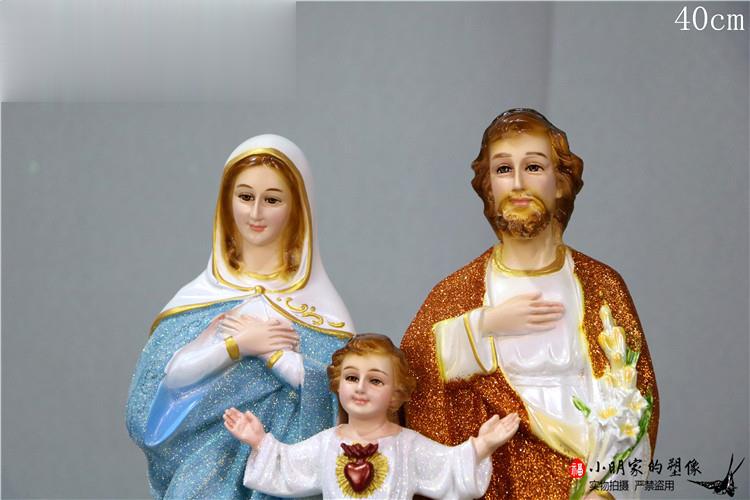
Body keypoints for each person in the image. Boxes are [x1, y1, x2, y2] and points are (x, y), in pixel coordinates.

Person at [400, 109, 659, 500]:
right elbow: (410, 371)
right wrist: (481, 326)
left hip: (582, 478)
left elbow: (638, 399)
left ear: (561, 182)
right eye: (504, 169)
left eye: (534, 167)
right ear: (489, 186)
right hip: (496, 482)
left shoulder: (601, 285)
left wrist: (608, 492)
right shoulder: (458, 293)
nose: (518, 183)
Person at [126, 134, 355, 499]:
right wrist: (237, 345)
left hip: (282, 476)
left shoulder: (322, 311)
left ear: (298, 208)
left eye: (272, 200)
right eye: (245, 197)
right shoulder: (199, 300)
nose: (255, 213)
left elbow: (343, 401)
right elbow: (164, 386)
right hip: (204, 473)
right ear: (226, 202)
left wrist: (275, 356)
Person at [224, 334, 521, 499]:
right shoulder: (327, 443)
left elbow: (448, 466)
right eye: (352, 377)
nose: (361, 388)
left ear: (395, 393)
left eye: (375, 380)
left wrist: (482, 445)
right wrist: (259, 442)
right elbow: (289, 466)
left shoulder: (407, 445)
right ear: (338, 384)